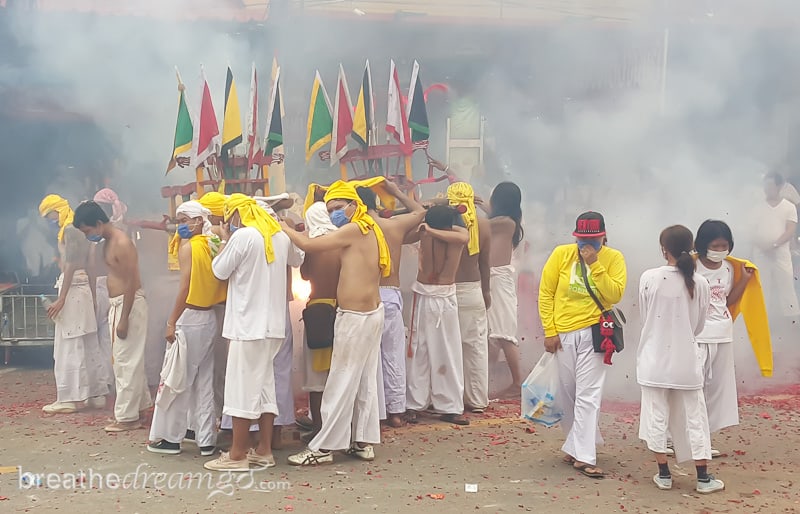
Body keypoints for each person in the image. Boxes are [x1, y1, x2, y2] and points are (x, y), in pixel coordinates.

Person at [282, 180, 388, 466]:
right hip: (369, 313)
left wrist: (283, 226)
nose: (335, 215)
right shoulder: (369, 228)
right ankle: (361, 443)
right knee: (363, 382)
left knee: (339, 382)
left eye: (339, 208)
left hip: (356, 317)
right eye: (330, 211)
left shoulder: (355, 229)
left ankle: (324, 447)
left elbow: (307, 244)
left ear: (355, 206)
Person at [203, 194, 302, 472]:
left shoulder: (244, 236)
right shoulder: (280, 236)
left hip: (248, 327)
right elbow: (298, 257)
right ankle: (264, 450)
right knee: (265, 388)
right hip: (273, 326)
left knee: (242, 390)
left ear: (239, 214)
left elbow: (219, 270)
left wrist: (224, 238)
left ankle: (237, 455)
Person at [538, 211, 626, 479]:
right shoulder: (561, 254)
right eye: (582, 240)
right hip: (563, 333)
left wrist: (595, 265)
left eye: (594, 240)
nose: (587, 245)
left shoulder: (614, 258)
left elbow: (614, 294)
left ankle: (585, 456)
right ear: (575, 237)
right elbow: (546, 292)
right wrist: (549, 330)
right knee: (568, 393)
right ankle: (575, 445)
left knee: (588, 394)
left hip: (596, 332)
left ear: (604, 236)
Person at [638, 225, 723, 493]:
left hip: (653, 361)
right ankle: (703, 478)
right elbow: (698, 325)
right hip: (686, 361)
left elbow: (645, 316)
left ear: (664, 249)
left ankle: (663, 474)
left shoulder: (649, 278)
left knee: (656, 416)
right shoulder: (700, 282)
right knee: (695, 418)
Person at [147, 201, 226, 457]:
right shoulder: (212, 243)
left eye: (184, 220)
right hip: (209, 317)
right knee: (204, 380)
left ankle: (170, 437)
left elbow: (184, 287)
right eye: (178, 220)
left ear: (198, 220)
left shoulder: (188, 246)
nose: (180, 225)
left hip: (190, 317)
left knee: (176, 379)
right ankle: (205, 438)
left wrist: (171, 321)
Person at [694, 220, 774, 453]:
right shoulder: (691, 267)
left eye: (724, 246)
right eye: (715, 246)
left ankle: (703, 438)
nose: (720, 251)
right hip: (697, 335)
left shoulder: (729, 269)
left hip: (722, 333)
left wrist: (745, 281)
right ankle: (675, 436)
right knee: (691, 386)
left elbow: (727, 302)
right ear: (702, 244)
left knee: (714, 388)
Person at [73, 201, 152, 432]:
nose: (88, 236)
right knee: (126, 360)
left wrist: (125, 317)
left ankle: (127, 417)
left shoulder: (122, 243)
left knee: (126, 362)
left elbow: (132, 282)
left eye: (87, 231)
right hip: (117, 304)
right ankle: (137, 408)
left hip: (129, 305)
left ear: (98, 223)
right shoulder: (107, 242)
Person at [356, 182, 426, 427]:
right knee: (392, 355)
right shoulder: (394, 225)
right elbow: (420, 212)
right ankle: (395, 412)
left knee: (366, 358)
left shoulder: (356, 230)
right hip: (390, 295)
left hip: (364, 297)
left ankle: (372, 413)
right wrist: (396, 192)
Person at [38, 195, 108, 414]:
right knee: (87, 342)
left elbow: (72, 265)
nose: (50, 221)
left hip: (74, 290)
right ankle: (95, 394)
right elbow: (89, 264)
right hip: (83, 288)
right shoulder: (77, 228)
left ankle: (69, 398)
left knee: (69, 344)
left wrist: (61, 298)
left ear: (58, 210)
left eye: (50, 216)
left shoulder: (70, 229)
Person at [405, 205, 470, 426]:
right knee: (417, 350)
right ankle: (413, 404)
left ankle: (450, 406)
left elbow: (464, 237)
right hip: (423, 296)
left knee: (448, 353)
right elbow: (404, 237)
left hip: (444, 298)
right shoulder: (423, 232)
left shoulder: (456, 234)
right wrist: (422, 222)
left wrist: (430, 231)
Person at [295, 201, 341, 443]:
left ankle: (318, 427)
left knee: (316, 378)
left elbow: (304, 275)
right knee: (338, 373)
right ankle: (341, 426)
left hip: (317, 310)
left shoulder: (312, 246)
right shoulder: (343, 242)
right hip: (340, 309)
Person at [447, 181, 492, 414]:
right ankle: (476, 400)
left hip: (448, 291)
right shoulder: (483, 225)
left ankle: (451, 399)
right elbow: (485, 263)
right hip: (474, 289)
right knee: (475, 348)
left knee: (449, 348)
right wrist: (487, 292)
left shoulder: (445, 222)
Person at [478, 182, 524, 398]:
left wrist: (468, 205)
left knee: (504, 334)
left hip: (499, 281)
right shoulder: (503, 221)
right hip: (491, 279)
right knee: (492, 335)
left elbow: (484, 220)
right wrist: (450, 173)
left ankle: (517, 383)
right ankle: (483, 381)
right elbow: (485, 208)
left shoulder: (506, 223)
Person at [752, 173, 799, 321]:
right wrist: (764, 246)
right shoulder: (757, 207)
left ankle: (792, 318)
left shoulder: (789, 207)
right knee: (762, 285)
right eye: (766, 186)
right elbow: (750, 230)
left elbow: (790, 230)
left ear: (779, 187)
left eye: (771, 186)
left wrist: (774, 245)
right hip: (761, 252)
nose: (767, 189)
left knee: (786, 284)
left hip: (781, 253)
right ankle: (763, 317)